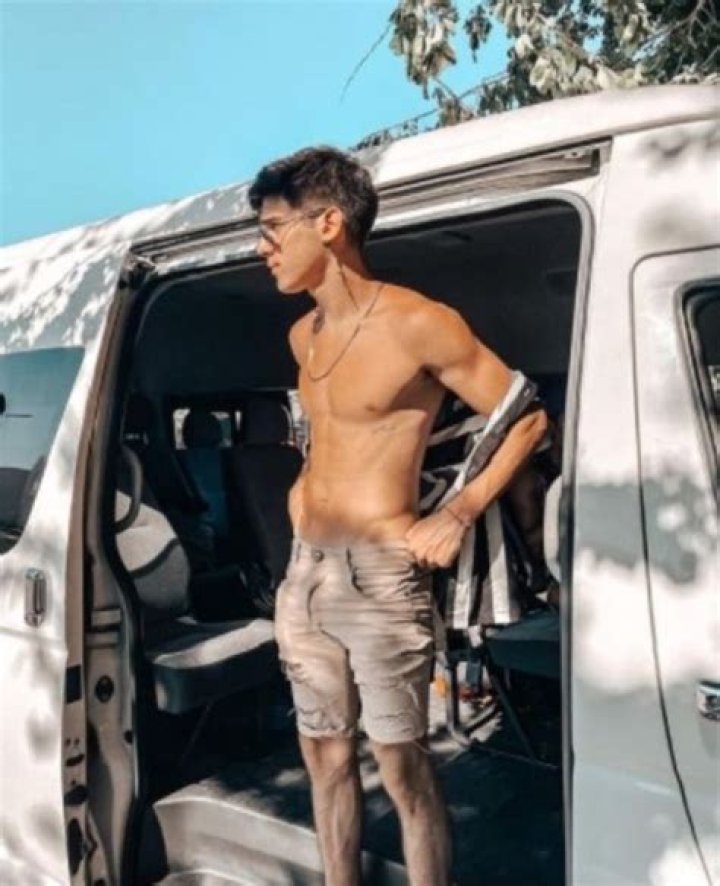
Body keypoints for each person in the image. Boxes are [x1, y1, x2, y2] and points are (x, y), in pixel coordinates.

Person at [249, 146, 547, 886]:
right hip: (304, 574)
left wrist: (460, 511)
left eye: (272, 229)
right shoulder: (301, 335)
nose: (262, 249)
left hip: (382, 578)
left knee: (402, 767)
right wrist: (303, 490)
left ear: (328, 223)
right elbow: (332, 435)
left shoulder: (419, 322)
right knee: (323, 758)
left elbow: (528, 417)